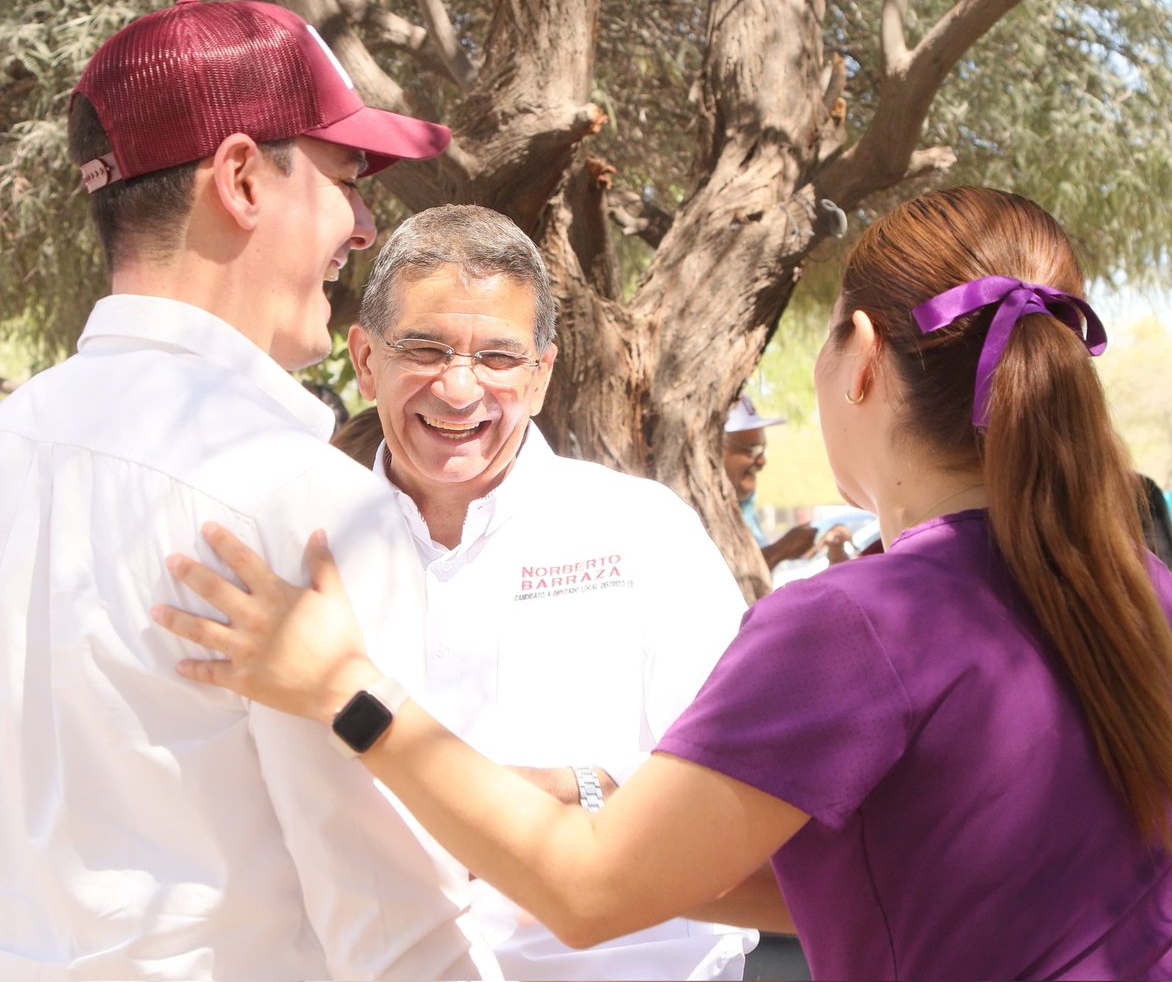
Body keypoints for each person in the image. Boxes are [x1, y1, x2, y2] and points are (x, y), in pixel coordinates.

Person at [156, 185, 1172, 979]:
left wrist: (345, 689)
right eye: (424, 350)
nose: (459, 386)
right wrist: (588, 796)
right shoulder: (1137, 596)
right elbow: (909, 873)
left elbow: (589, 892)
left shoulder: (855, 623)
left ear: (858, 357)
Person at [0, 0, 498, 980]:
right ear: (239, 179)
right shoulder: (299, 497)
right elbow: (399, 930)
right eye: (347, 178)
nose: (363, 227)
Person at [333, 204, 755, 980]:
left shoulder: (643, 534)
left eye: (497, 357)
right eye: (424, 349)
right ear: (365, 361)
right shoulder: (309, 546)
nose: (460, 390)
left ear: (541, 374)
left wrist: (572, 785)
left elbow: (734, 796)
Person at [722, 395, 817, 568]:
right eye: (751, 450)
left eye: (762, 450)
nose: (761, 461)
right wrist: (780, 550)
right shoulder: (688, 513)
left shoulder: (745, 504)